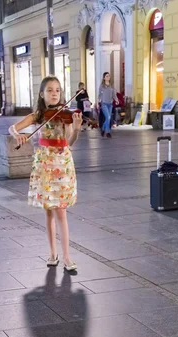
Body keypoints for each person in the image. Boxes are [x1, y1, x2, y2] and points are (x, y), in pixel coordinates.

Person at [8, 76, 82, 272]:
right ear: (42, 94)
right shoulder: (38, 115)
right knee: (49, 212)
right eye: (50, 90)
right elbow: (13, 128)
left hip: (62, 163)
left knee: (61, 212)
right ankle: (52, 253)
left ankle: (66, 256)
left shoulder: (65, 115)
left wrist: (75, 129)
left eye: (57, 90)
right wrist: (19, 136)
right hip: (44, 164)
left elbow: (70, 141)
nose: (54, 93)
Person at [98, 72, 118, 138]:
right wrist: (97, 102)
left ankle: (103, 129)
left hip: (110, 104)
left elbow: (114, 94)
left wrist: (116, 100)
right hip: (104, 104)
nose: (108, 77)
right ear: (104, 78)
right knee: (108, 117)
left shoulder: (111, 85)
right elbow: (99, 95)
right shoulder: (102, 86)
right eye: (106, 76)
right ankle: (108, 132)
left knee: (108, 118)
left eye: (109, 76)